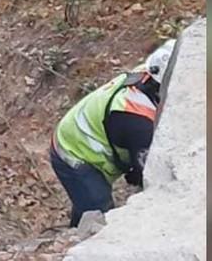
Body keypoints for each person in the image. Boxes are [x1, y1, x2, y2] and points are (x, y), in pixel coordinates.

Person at [49, 39, 176, 227]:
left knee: (86, 200)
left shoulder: (151, 72)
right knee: (98, 210)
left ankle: (75, 227)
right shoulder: (138, 122)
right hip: (73, 152)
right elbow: (150, 178)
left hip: (80, 132)